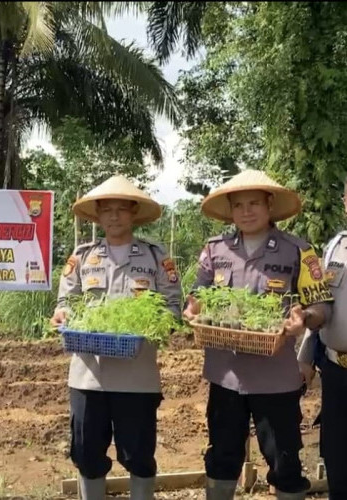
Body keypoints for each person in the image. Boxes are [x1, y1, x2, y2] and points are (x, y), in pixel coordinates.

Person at [183, 170, 333, 500]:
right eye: (239, 205)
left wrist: (305, 318)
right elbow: (197, 296)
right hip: (226, 377)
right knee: (221, 458)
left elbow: (322, 307)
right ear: (231, 210)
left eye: (254, 203)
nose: (246, 211)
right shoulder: (214, 251)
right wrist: (192, 309)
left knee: (285, 463)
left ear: (269, 206)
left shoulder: (298, 251)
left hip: (276, 379)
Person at [50, 176, 182, 500]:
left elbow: (173, 307)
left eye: (121, 210)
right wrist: (63, 315)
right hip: (88, 377)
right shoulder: (82, 257)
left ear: (133, 213)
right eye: (106, 210)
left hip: (137, 378)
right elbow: (65, 303)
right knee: (87, 454)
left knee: (139, 456)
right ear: (97, 216)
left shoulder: (155, 257)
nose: (113, 216)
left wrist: (159, 322)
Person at [298, 175, 347, 500]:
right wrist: (304, 356)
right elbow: (321, 305)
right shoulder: (335, 246)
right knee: (337, 456)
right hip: (337, 371)